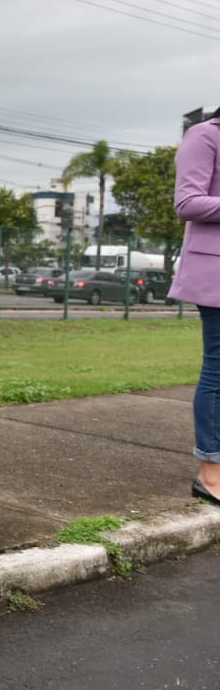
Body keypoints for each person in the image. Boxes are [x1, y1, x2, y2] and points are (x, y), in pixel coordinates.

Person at [168, 106, 220, 505]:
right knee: (217, 371)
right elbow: (188, 203)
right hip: (215, 275)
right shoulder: (204, 135)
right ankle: (210, 473)